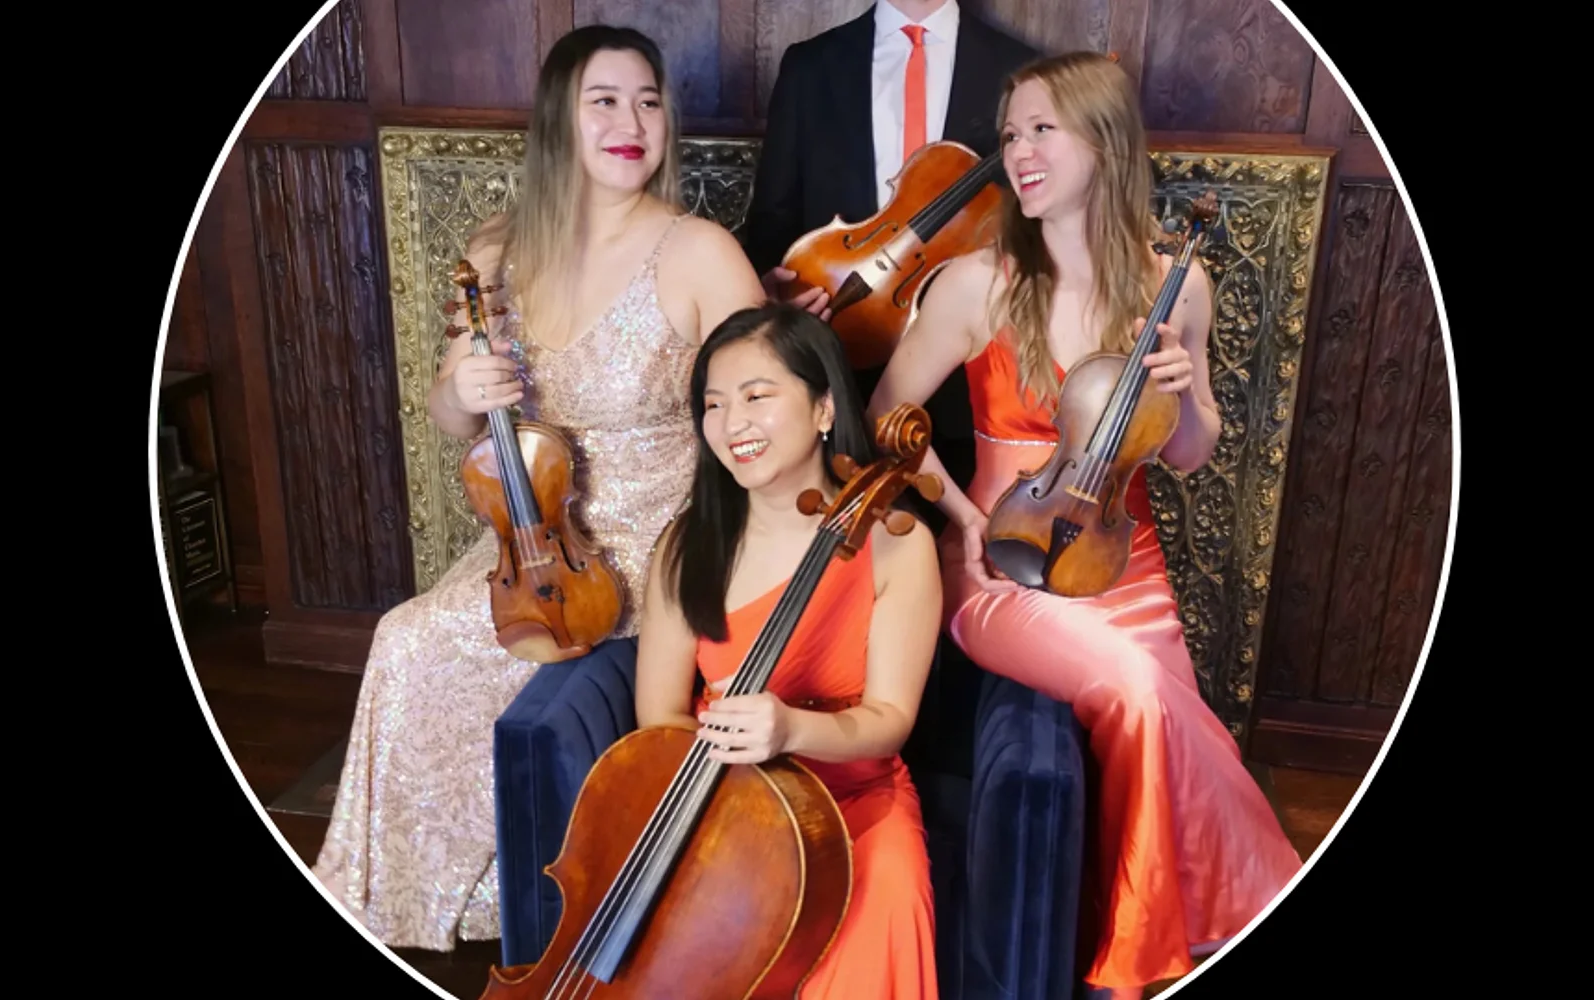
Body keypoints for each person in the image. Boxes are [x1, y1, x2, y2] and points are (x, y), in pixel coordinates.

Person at [309, 25, 767, 954]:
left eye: (648, 101)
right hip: (533, 537)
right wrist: (461, 389)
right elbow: (450, 415)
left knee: (432, 647)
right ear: (559, 119)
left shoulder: (699, 251)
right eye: (604, 101)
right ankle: (403, 902)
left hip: (652, 540)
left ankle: (469, 903)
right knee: (402, 642)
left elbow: (767, 397)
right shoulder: (497, 249)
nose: (632, 122)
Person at [866, 51, 1304, 998]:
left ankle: (1157, 937)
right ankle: (1158, 950)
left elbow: (1188, 455)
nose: (1018, 153)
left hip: (1124, 561)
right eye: (1010, 134)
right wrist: (962, 517)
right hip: (1004, 562)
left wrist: (1184, 395)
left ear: (1105, 143)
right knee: (1143, 695)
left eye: (1042, 131)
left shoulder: (1175, 286)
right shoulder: (976, 285)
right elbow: (886, 420)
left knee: (1156, 705)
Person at [634, 303, 943, 999]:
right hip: (724, 802)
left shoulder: (898, 543)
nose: (731, 424)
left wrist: (790, 729)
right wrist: (738, 789)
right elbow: (659, 716)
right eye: (714, 404)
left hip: (855, 803)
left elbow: (889, 720)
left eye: (756, 397)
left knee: (884, 907)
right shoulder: (687, 546)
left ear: (825, 408)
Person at [743, 0, 1043, 502]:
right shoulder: (810, 66)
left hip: (974, 392)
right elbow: (772, 223)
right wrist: (777, 298)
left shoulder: (1024, 68)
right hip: (838, 369)